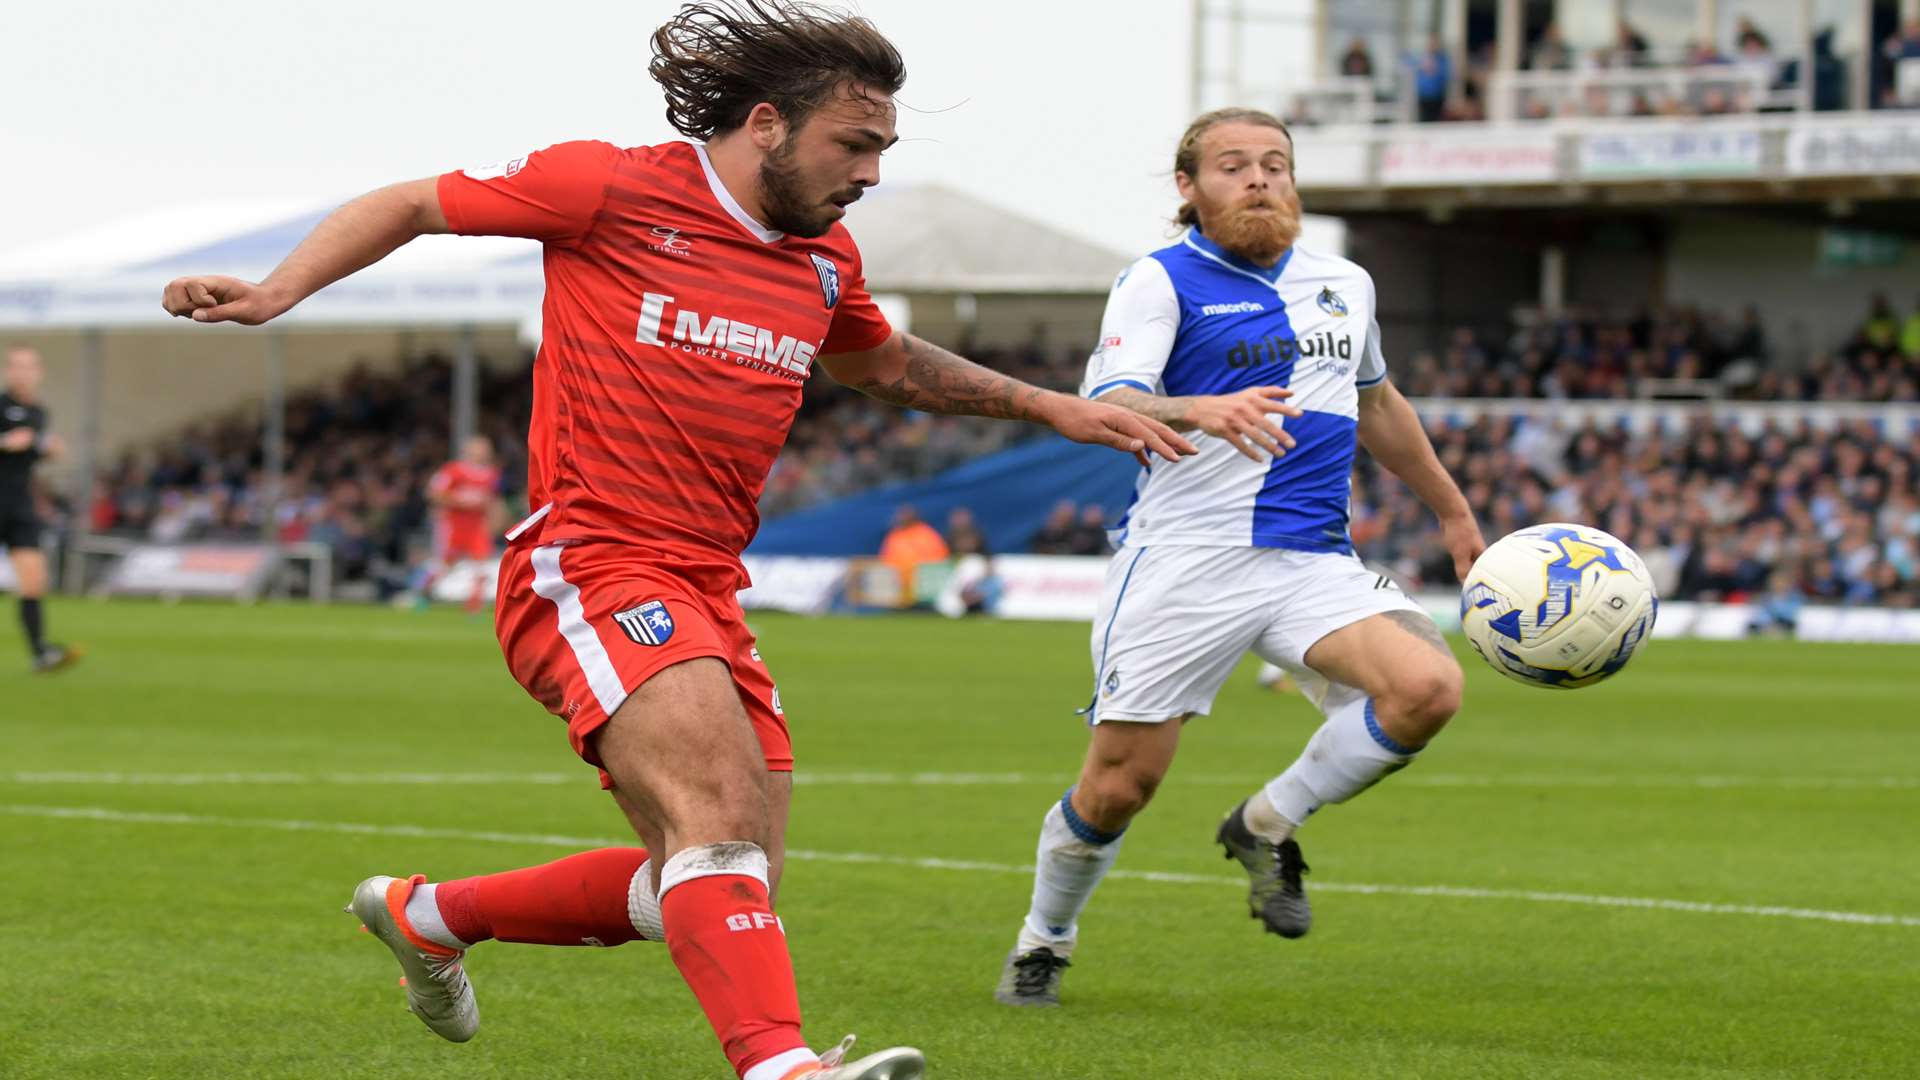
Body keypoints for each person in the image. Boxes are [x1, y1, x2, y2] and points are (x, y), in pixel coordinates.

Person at [160, 3, 1192, 1077]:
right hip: (590, 562)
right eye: (855, 145)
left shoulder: (822, 259)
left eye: (883, 150)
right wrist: (278, 290)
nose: (872, 175)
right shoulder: (607, 187)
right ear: (764, 124)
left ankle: (433, 917)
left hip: (707, 586)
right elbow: (416, 201)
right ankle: (781, 1065)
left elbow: (884, 366)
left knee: (710, 878)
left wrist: (1052, 406)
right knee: (719, 817)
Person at [991, 108, 1485, 1008]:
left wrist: (1453, 512)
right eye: (1232, 166)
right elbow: (1111, 397)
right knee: (1117, 789)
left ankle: (1265, 824)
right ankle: (1044, 940)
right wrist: (1194, 408)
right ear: (1190, 188)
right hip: (1185, 562)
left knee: (1428, 689)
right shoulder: (1159, 280)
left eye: (1275, 165)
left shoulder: (1346, 282)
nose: (1259, 179)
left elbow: (1379, 407)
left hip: (1312, 561)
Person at [1, 345, 79, 674]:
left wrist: (49, 450)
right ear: (7, 370)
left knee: (33, 580)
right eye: (17, 366)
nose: (23, 372)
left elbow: (33, 450)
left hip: (18, 505)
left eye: (29, 366)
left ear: (39, 372)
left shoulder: (39, 413)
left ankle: (40, 652)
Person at [419, 434, 502, 612]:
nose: (482, 452)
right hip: (454, 525)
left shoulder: (491, 474)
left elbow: (491, 500)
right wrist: (460, 501)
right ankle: (421, 593)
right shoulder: (453, 470)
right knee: (444, 564)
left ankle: (474, 608)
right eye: (478, 448)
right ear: (468, 451)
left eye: (485, 449)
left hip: (477, 527)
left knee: (481, 566)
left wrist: (492, 517)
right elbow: (434, 493)